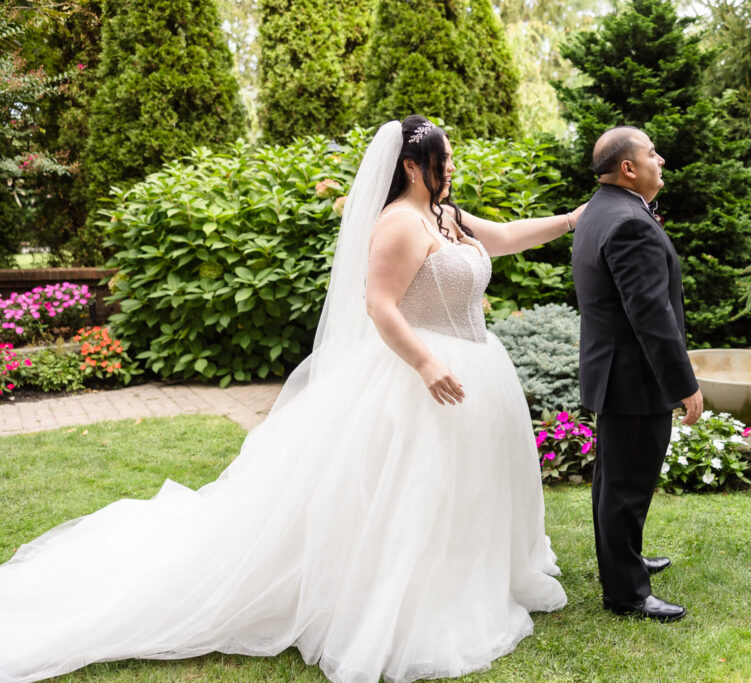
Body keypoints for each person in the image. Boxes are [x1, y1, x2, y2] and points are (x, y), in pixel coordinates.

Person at [0, 116, 585, 683]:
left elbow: (504, 238)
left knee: (464, 489)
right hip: (417, 376)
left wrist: (572, 219)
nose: (451, 167)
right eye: (443, 160)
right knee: (412, 492)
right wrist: (428, 363)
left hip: (477, 367)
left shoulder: (444, 216)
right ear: (411, 166)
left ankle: (467, 578)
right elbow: (379, 304)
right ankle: (403, 602)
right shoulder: (398, 225)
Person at [571, 125, 703, 622]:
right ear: (628, 168)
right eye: (651, 153)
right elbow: (651, 315)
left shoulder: (600, 210)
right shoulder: (628, 222)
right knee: (625, 485)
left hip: (615, 371)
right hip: (633, 376)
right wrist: (684, 383)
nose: (661, 159)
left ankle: (624, 559)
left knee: (618, 481)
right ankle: (626, 592)